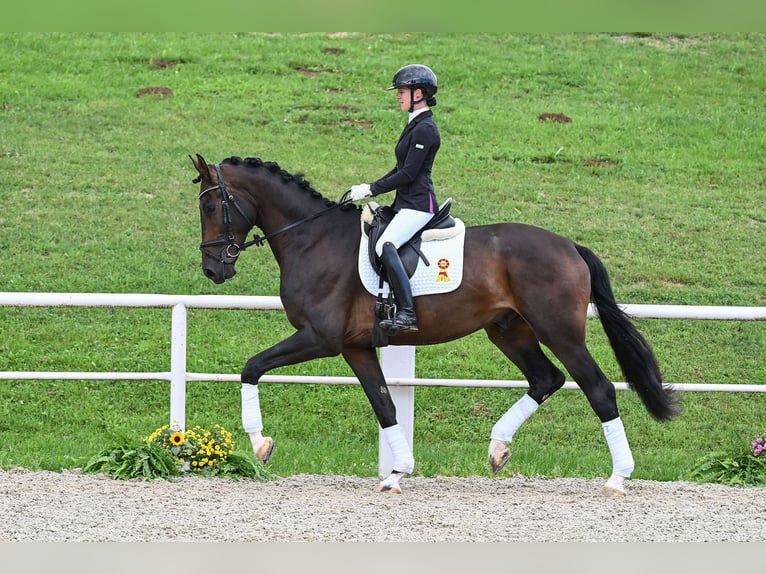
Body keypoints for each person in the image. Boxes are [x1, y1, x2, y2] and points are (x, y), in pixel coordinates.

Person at [348, 63, 441, 335]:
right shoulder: (415, 125)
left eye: (402, 91)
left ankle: (408, 313)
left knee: (386, 245)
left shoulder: (426, 129)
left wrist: (373, 189)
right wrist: (368, 186)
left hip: (419, 204)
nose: (398, 96)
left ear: (419, 93)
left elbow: (409, 174)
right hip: (406, 203)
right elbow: (400, 168)